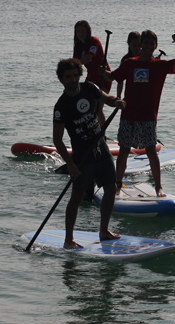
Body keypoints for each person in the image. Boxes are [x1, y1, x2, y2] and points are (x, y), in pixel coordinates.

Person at [101, 30, 175, 197]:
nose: (148, 46)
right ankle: (118, 185)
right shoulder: (129, 63)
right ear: (141, 45)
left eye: (151, 43)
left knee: (151, 152)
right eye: (145, 43)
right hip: (128, 114)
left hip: (148, 116)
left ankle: (158, 187)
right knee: (124, 150)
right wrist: (103, 72)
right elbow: (113, 77)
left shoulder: (159, 66)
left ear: (155, 46)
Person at [53, 58, 125, 249]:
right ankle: (68, 240)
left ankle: (104, 231)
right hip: (82, 156)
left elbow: (106, 98)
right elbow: (57, 140)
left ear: (80, 75)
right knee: (76, 197)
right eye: (68, 77)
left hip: (101, 147)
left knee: (110, 188)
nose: (73, 79)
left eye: (75, 75)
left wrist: (116, 101)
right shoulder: (61, 106)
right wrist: (70, 164)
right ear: (61, 79)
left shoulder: (89, 88)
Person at [73, 20, 112, 126]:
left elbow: (88, 58)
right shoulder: (77, 45)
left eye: (83, 31)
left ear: (88, 31)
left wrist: (72, 64)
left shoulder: (94, 41)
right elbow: (75, 64)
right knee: (84, 106)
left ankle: (102, 136)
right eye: (78, 31)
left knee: (97, 107)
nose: (81, 34)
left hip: (103, 77)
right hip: (90, 78)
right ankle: (91, 132)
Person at [115, 31, 141, 99]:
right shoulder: (125, 60)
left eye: (139, 45)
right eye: (134, 45)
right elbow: (120, 80)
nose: (137, 48)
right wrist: (118, 96)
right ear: (128, 44)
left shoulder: (147, 57)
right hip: (130, 93)